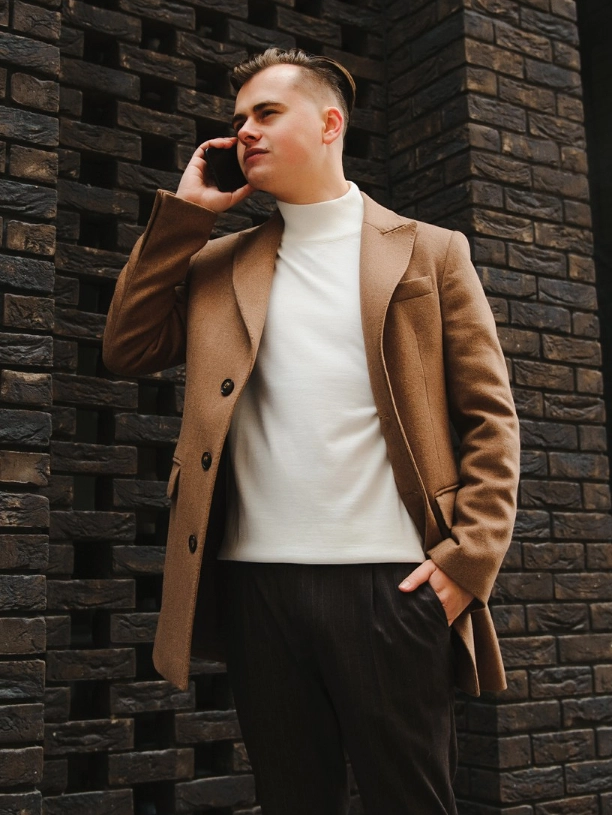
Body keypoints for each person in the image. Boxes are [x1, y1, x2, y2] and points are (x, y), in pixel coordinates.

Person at [102, 47, 520, 815]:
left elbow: (489, 417)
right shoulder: (221, 262)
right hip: (257, 585)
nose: (244, 132)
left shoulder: (430, 251)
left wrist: (469, 560)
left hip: (392, 585)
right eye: (238, 119)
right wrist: (187, 217)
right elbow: (128, 345)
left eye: (266, 113)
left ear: (330, 124)